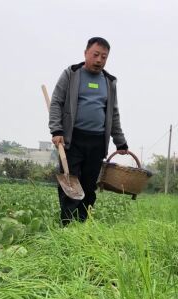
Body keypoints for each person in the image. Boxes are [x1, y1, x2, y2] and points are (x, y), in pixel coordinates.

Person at [48, 37, 128, 226]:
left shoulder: (109, 82)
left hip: (97, 142)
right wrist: (56, 129)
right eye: (96, 55)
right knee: (70, 183)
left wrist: (120, 141)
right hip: (72, 139)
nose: (99, 60)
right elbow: (56, 102)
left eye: (104, 57)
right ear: (86, 53)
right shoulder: (71, 74)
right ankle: (66, 224)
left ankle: (82, 224)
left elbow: (113, 113)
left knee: (89, 187)